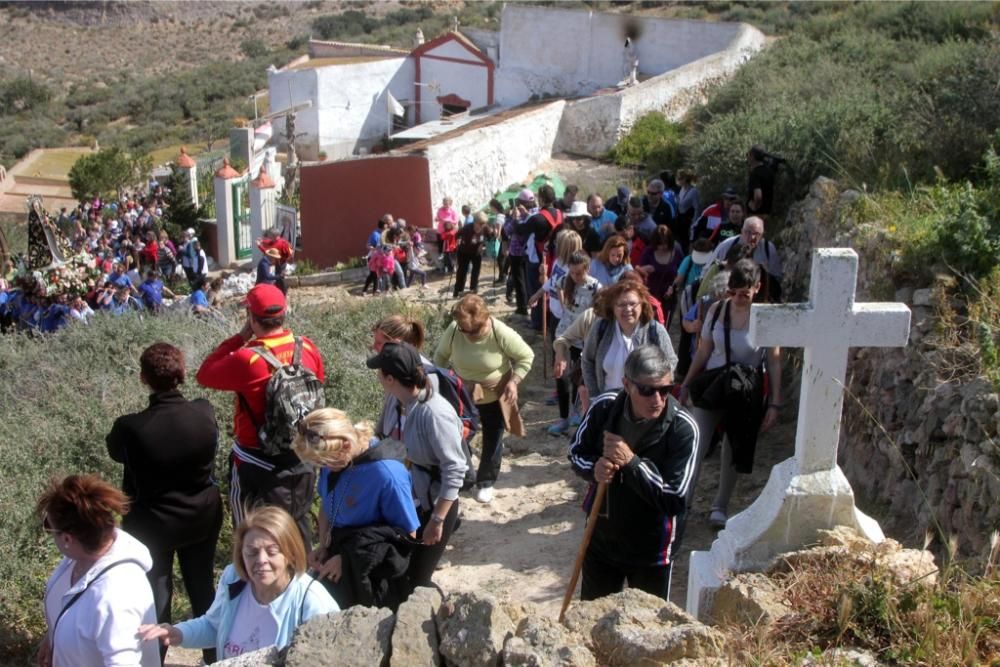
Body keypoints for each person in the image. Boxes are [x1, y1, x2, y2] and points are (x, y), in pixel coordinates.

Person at [106, 343, 223, 665]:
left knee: (156, 598)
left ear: (144, 378)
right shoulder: (204, 412)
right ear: (182, 374)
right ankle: (216, 659)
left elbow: (116, 453)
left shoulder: (129, 427)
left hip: (152, 523)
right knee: (202, 588)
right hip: (201, 515)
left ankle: (154, 659)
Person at [196, 284, 325, 549]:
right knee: (297, 523)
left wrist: (239, 338)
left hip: (256, 460)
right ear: (284, 313)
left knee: (252, 533)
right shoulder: (307, 348)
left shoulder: (247, 359)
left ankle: (251, 580)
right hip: (301, 455)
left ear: (252, 318)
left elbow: (204, 374)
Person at [568, 346, 698, 601]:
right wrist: (594, 469)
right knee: (593, 620)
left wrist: (632, 462)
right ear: (627, 385)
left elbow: (674, 498)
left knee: (649, 630)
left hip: (652, 550)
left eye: (665, 390)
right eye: (648, 390)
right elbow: (576, 453)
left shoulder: (683, 428)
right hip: (601, 537)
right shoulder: (605, 408)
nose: (657, 400)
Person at [139, 506, 338, 659]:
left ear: (290, 553)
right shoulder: (234, 578)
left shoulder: (312, 602)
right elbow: (213, 626)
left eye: (272, 552)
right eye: (251, 552)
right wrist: (178, 633)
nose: (261, 560)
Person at [679, 259, 782, 529]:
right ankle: (683, 501)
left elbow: (773, 361)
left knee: (733, 446)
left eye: (744, 293)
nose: (738, 298)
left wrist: (775, 403)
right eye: (734, 292)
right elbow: (703, 351)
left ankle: (720, 506)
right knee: (697, 442)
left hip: (746, 390)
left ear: (757, 288)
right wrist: (687, 383)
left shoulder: (765, 317)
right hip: (714, 384)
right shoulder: (716, 311)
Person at [293, 408, 420, 609]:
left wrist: (348, 560)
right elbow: (328, 505)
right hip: (339, 553)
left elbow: (406, 536)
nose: (323, 467)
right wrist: (323, 546)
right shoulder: (334, 464)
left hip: (372, 572)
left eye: (325, 461)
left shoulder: (387, 475)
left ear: (346, 444)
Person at [368, 342, 466, 590]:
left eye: (380, 373)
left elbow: (454, 470)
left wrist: (437, 520)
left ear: (390, 378)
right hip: (410, 502)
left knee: (417, 581)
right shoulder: (399, 402)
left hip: (433, 505)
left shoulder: (434, 414)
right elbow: (383, 435)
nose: (378, 377)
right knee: (401, 576)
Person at [38, 474, 159, 667]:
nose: (49, 534)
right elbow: (75, 610)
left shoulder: (117, 596)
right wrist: (54, 636)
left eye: (49, 527)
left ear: (68, 539)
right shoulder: (78, 558)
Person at [433, 294, 534, 503]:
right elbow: (440, 357)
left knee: (493, 435)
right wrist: (443, 382)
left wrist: (514, 381)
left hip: (494, 394)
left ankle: (486, 481)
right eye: (465, 330)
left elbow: (526, 356)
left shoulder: (500, 333)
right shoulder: (454, 330)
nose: (468, 335)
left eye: (474, 331)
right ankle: (466, 476)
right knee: (457, 433)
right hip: (462, 394)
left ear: (485, 322)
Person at [581, 279, 677, 399]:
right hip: (607, 404)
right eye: (621, 305)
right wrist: (595, 395)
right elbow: (587, 360)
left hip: (643, 406)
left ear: (642, 305)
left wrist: (655, 392)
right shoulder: (601, 328)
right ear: (613, 307)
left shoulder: (655, 330)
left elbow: (671, 362)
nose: (628, 309)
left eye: (633, 304)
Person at [548, 250, 601, 435]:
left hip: (584, 339)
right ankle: (563, 418)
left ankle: (576, 411)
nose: (575, 276)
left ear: (587, 268)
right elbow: (557, 295)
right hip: (564, 336)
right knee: (561, 377)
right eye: (572, 272)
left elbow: (598, 313)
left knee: (578, 379)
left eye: (579, 273)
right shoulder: (564, 281)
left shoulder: (595, 287)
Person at [516, 184, 563, 330]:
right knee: (551, 289)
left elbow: (520, 230)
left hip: (539, 258)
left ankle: (537, 323)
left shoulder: (537, 219)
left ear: (541, 199)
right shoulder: (560, 214)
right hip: (555, 256)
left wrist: (518, 218)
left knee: (536, 290)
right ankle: (549, 320)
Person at [712, 216, 783, 302]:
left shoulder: (768, 249)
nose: (752, 237)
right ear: (741, 231)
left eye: (756, 234)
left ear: (762, 235)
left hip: (757, 295)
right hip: (727, 294)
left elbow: (776, 277)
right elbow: (711, 267)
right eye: (748, 232)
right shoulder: (727, 245)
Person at [503, 189, 536, 315]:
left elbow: (507, 230)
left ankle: (522, 308)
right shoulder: (535, 213)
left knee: (519, 280)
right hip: (530, 252)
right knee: (528, 280)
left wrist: (512, 217)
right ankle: (529, 304)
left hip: (517, 252)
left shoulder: (520, 216)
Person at [453, 211, 488, 297]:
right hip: (464, 252)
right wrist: (458, 240)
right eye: (479, 224)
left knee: (476, 271)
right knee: (462, 271)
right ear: (474, 222)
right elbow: (457, 235)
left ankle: (473, 289)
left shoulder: (485, 228)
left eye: (483, 224)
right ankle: (458, 291)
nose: (481, 226)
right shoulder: (467, 228)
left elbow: (490, 237)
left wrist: (483, 245)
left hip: (476, 253)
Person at [643, 179, 681, 249]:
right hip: (642, 238)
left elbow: (672, 230)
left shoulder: (667, 208)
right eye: (648, 192)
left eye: (653, 194)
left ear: (661, 194)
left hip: (660, 241)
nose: (649, 195)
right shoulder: (642, 202)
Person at [747, 144, 776, 218]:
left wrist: (754, 207)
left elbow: (758, 196)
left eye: (748, 155)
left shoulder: (755, 174)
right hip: (767, 213)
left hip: (756, 215)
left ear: (752, 156)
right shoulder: (769, 172)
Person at [676, 169, 700, 244]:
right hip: (680, 219)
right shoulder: (681, 189)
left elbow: (697, 208)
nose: (678, 180)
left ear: (686, 179)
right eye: (678, 178)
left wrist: (694, 223)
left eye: (680, 178)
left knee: (687, 242)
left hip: (688, 220)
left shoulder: (693, 191)